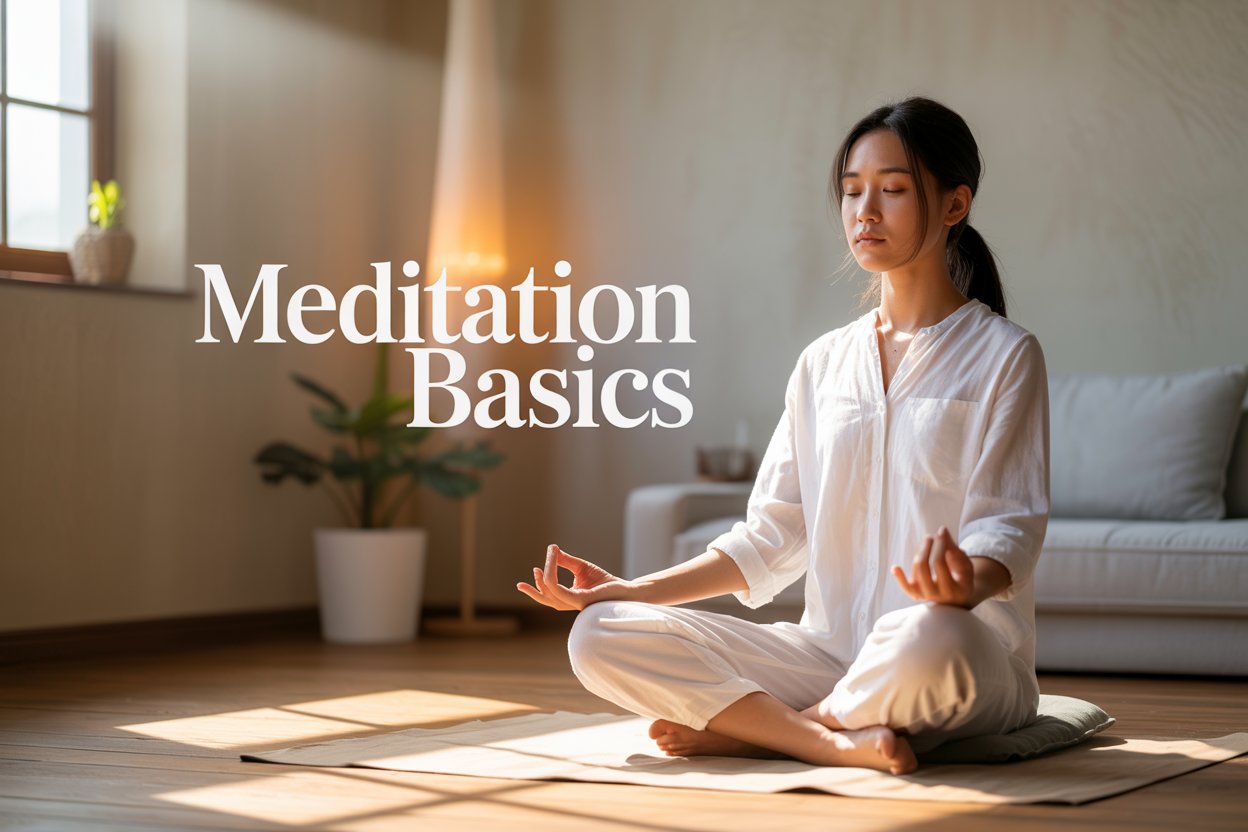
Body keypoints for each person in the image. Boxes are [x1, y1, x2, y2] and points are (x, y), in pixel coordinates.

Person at [516, 97, 1049, 776]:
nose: (865, 212)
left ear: (954, 204)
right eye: (852, 192)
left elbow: (1008, 529)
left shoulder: (1005, 354)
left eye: (892, 190)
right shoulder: (822, 364)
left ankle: (772, 731)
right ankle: (824, 736)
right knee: (597, 634)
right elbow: (771, 537)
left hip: (956, 652)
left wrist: (961, 586)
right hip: (825, 656)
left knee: (929, 635)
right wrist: (629, 590)